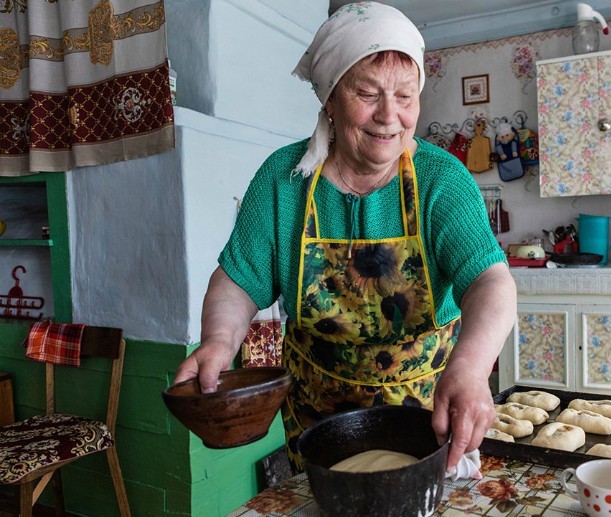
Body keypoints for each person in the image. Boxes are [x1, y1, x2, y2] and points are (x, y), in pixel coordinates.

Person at [174, 1, 516, 472]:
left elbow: (490, 283)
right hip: (318, 421)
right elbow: (238, 281)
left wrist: (472, 367)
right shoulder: (283, 179)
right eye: (368, 93)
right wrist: (217, 341)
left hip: (426, 415)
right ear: (330, 99)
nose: (389, 116)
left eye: (405, 95)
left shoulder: (442, 179)